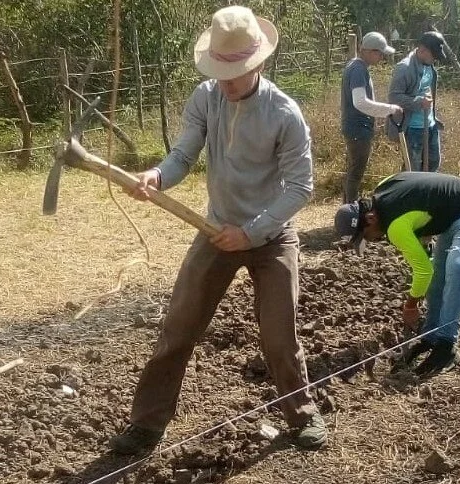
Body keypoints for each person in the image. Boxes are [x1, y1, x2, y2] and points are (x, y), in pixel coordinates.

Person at [109, 6, 327, 454]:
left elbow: (300, 187)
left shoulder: (284, 114)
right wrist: (157, 176)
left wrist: (251, 232)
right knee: (178, 328)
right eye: (219, 73)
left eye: (235, 74)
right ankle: (146, 425)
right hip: (216, 231)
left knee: (279, 337)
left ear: (258, 64)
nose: (225, 83)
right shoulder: (206, 97)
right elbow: (183, 155)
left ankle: (303, 413)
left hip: (272, 237)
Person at [333, 171, 460, 377]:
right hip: (451, 217)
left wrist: (411, 306)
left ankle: (446, 345)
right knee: (438, 276)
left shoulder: (395, 227)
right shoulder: (383, 187)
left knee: (457, 267)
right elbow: (419, 196)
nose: (372, 241)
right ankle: (430, 337)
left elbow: (423, 271)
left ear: (370, 219)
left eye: (366, 236)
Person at [340, 32, 402, 202]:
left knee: (353, 170)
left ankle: (347, 207)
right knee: (356, 173)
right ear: (368, 51)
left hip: (356, 128)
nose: (381, 57)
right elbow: (360, 102)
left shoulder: (356, 67)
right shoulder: (358, 70)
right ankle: (351, 209)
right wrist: (389, 109)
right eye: (379, 53)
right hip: (358, 129)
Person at [386, 31, 449, 172]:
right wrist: (419, 102)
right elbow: (394, 97)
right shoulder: (404, 68)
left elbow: (428, 91)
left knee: (433, 163)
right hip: (412, 128)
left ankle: (427, 187)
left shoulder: (429, 66)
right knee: (412, 169)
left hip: (430, 124)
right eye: (433, 55)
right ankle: (407, 187)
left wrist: (432, 114)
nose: (435, 59)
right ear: (422, 50)